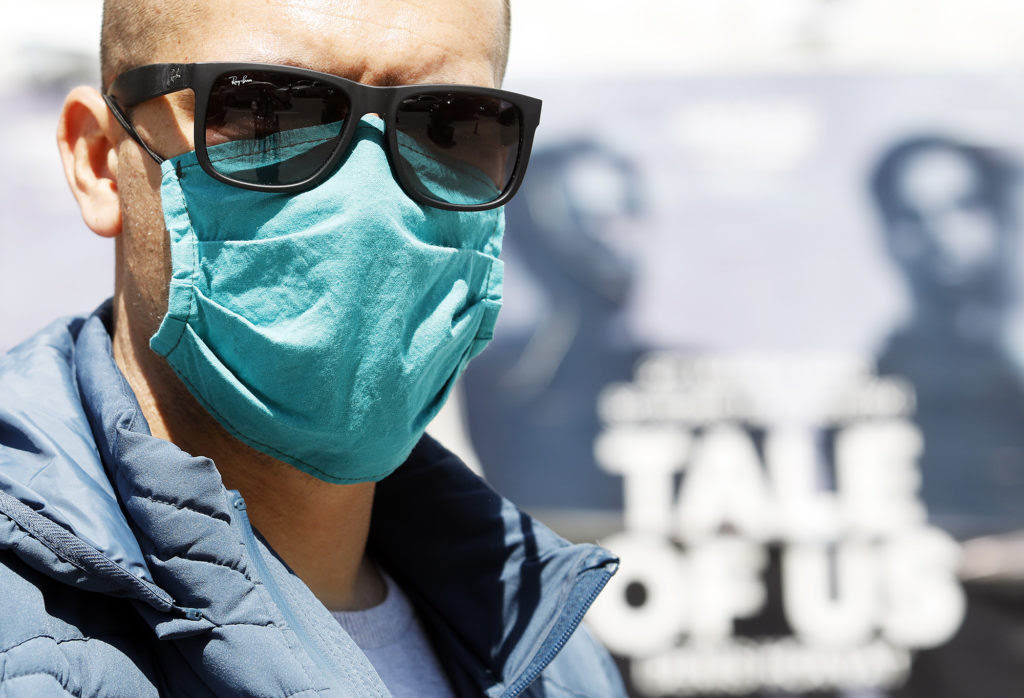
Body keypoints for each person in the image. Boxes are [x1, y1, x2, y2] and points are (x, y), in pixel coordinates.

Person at [0, 1, 626, 696]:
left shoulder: (558, 656)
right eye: (267, 110)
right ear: (99, 160)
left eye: (451, 125)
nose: (372, 203)